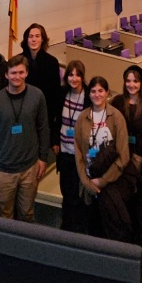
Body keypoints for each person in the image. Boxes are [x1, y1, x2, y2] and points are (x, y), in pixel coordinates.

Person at [0, 55, 50, 221]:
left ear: (26, 73)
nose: (17, 76)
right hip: (4, 171)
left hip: (30, 168)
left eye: (21, 72)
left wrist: (43, 158)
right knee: (4, 215)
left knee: (27, 213)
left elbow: (43, 127)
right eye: (13, 73)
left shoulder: (37, 96)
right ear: (6, 75)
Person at [110, 65, 142, 262]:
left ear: (141, 83)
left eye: (135, 81)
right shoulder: (116, 102)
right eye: (128, 80)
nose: (131, 84)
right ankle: (124, 252)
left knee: (139, 210)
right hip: (120, 164)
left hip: (140, 167)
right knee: (122, 207)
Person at [74, 77, 132, 243]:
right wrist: (86, 182)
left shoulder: (116, 117)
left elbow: (123, 155)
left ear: (107, 93)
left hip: (110, 182)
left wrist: (103, 181)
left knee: (111, 229)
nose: (97, 94)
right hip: (88, 182)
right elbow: (78, 153)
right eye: (93, 91)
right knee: (93, 229)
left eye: (101, 91)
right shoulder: (82, 117)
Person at [52, 60, 91, 233]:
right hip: (64, 152)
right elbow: (55, 119)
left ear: (82, 77)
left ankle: (79, 229)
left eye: (77, 75)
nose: (74, 78)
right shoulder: (61, 93)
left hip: (81, 155)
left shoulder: (89, 96)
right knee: (67, 193)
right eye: (70, 74)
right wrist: (54, 141)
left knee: (79, 194)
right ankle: (66, 226)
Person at [21, 23, 61, 139]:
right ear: (26, 39)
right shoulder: (19, 61)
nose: (34, 39)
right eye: (31, 36)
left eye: (37, 36)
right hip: (23, 114)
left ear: (43, 39)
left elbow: (55, 94)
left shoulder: (52, 62)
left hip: (44, 115)